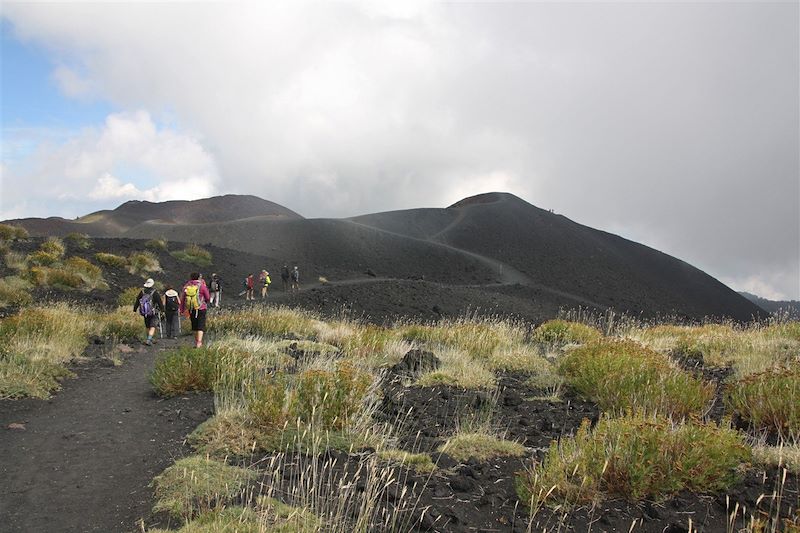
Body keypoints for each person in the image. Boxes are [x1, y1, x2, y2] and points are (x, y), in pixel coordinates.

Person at [180, 272, 211, 348]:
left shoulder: (186, 286)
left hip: (191, 308)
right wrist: (206, 302)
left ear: (190, 277)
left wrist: (182, 309)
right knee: (201, 326)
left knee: (194, 326)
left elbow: (183, 299)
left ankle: (196, 341)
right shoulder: (202, 286)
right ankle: (199, 343)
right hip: (201, 308)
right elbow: (208, 297)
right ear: (198, 278)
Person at [133, 278, 164, 346]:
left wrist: (135, 309)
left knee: (147, 325)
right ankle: (149, 340)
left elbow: (137, 301)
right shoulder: (154, 292)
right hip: (153, 312)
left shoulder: (142, 292)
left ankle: (149, 338)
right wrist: (162, 310)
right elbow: (159, 302)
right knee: (153, 326)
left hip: (145, 312)